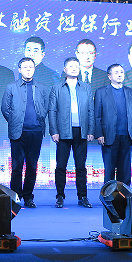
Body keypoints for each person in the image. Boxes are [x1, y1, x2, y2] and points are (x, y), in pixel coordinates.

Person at [1, 57, 50, 208]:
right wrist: (15, 122)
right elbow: (5, 108)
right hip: (18, 132)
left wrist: (38, 119)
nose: (28, 69)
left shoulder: (42, 87)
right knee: (17, 166)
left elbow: (46, 107)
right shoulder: (11, 87)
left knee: (32, 166)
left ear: (34, 69)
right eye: (25, 67)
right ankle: (15, 196)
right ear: (19, 70)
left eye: (31, 67)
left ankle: (28, 197)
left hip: (36, 132)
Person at [49, 57, 94, 208]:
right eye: (71, 66)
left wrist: (90, 130)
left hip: (81, 131)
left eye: (76, 66)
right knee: (61, 166)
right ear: (65, 69)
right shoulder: (57, 88)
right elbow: (52, 111)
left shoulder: (86, 87)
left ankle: (82, 196)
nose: (74, 68)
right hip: (63, 132)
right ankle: (60, 196)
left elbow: (91, 110)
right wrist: (54, 131)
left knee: (81, 166)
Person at [94, 64, 132, 186]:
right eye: (116, 72)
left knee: (125, 171)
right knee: (109, 171)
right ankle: (109, 196)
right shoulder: (101, 92)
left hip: (127, 136)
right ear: (109, 76)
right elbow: (97, 115)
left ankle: (124, 196)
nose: (120, 75)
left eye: (122, 72)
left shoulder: (130, 92)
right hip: (109, 135)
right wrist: (99, 134)